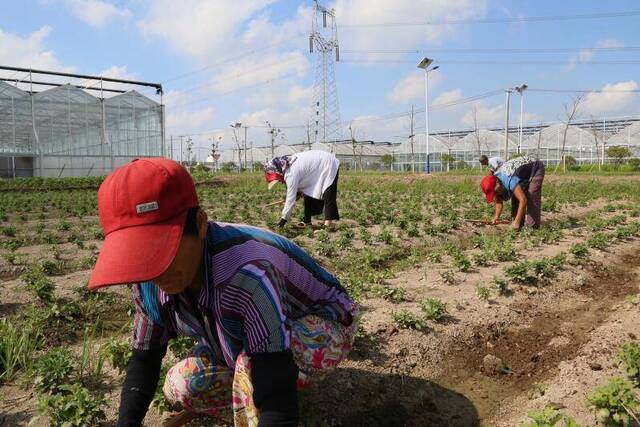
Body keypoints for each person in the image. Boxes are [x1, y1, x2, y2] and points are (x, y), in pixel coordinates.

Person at [88, 158, 357, 427]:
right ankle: (250, 390)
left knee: (252, 367)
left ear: (201, 223)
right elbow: (145, 360)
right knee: (181, 384)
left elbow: (279, 405)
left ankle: (260, 389)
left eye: (162, 251)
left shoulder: (247, 274)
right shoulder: (147, 281)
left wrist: (274, 404)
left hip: (323, 327)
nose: (157, 271)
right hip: (243, 334)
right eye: (139, 255)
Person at [264, 150, 340, 229]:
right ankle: (307, 221)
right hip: (316, 167)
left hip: (328, 163)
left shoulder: (290, 174)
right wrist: (298, 193)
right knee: (308, 191)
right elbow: (301, 179)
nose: (279, 181)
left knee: (328, 192)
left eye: (277, 179)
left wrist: (283, 221)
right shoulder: (287, 164)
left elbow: (290, 200)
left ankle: (327, 225)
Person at [480, 155, 545, 230]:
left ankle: (533, 228)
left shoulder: (507, 178)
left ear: (497, 183)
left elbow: (523, 200)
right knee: (516, 197)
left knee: (531, 195)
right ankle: (519, 225)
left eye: (495, 192)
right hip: (521, 174)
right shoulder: (496, 181)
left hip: (535, 166)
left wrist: (516, 222)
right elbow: (498, 201)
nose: (495, 194)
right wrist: (496, 217)